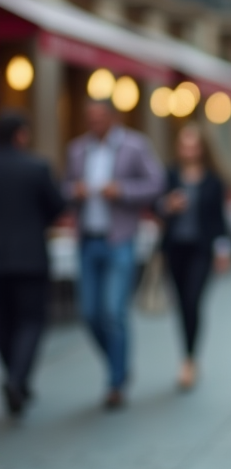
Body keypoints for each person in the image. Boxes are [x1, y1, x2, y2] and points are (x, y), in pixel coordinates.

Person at [63, 99, 165, 410]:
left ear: (112, 118)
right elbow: (64, 187)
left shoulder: (134, 146)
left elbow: (156, 183)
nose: (94, 124)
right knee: (89, 313)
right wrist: (74, 191)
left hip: (119, 238)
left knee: (113, 311)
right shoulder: (77, 149)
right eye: (89, 119)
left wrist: (121, 190)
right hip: (87, 239)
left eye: (99, 118)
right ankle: (117, 363)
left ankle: (116, 382)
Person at [0, 110, 66, 418]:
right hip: (30, 259)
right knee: (30, 321)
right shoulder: (36, 167)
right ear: (21, 135)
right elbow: (57, 207)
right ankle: (17, 379)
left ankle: (16, 378)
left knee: (5, 324)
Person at [159, 124, 231, 390]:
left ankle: (189, 360)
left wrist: (224, 250)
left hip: (201, 249)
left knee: (192, 301)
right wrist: (167, 206)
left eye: (193, 144)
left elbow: (220, 219)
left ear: (202, 148)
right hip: (174, 248)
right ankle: (187, 355)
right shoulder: (170, 175)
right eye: (184, 144)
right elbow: (156, 206)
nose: (188, 150)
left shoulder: (213, 180)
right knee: (181, 305)